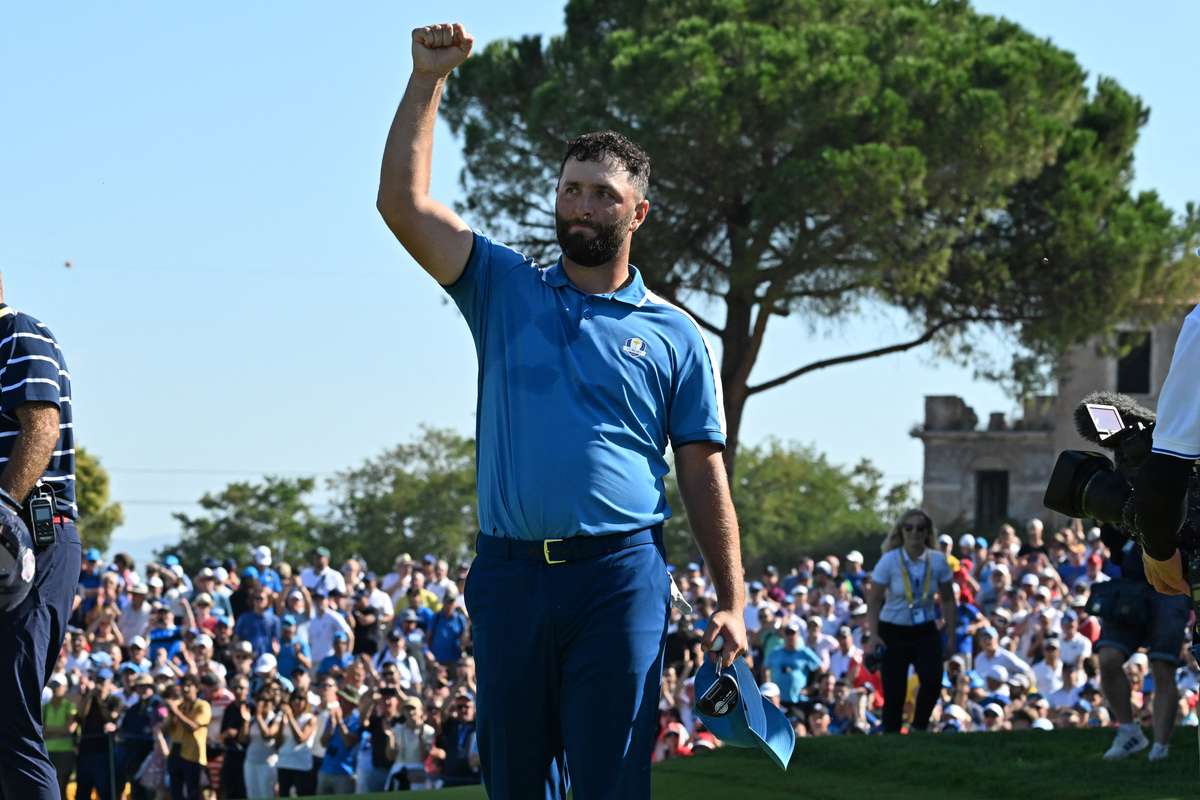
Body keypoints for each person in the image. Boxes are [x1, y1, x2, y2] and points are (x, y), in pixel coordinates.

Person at [375, 22, 748, 799]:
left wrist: (733, 602)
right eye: (571, 187)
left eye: (602, 194)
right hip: (509, 578)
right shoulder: (502, 286)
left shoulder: (673, 333)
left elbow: (703, 473)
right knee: (514, 784)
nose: (580, 204)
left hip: (618, 579)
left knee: (611, 783)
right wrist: (426, 80)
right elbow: (403, 205)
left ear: (636, 215)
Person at [0, 290, 83, 800]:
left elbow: (42, 427)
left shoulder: (16, 333)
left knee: (12, 714)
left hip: (34, 531)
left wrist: (3, 504)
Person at [1093, 525, 1188, 761]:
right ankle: (1128, 733)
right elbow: (1107, 525)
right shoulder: (1131, 487)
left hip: (1173, 583)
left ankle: (1160, 748)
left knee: (1162, 666)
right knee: (1108, 658)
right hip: (1132, 580)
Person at [865, 509, 957, 733]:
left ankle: (919, 727)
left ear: (927, 532)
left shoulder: (938, 561)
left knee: (934, 680)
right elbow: (874, 599)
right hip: (893, 630)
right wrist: (874, 635)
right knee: (894, 689)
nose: (915, 533)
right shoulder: (889, 560)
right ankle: (891, 737)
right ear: (901, 531)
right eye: (909, 528)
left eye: (920, 528)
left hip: (925, 628)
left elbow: (948, 600)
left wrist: (951, 635)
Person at [164, 673, 212, 800]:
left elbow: (193, 727)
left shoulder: (203, 706)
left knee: (193, 793)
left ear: (197, 688)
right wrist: (171, 713)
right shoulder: (179, 705)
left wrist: (176, 711)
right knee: (176, 793)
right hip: (175, 751)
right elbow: (166, 729)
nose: (185, 689)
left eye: (189, 686)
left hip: (193, 755)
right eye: (183, 686)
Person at [275, 689, 318, 798]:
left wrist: (290, 717)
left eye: (301, 698)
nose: (297, 701)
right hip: (284, 764)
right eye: (294, 698)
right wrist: (282, 722)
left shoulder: (310, 719)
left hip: (301, 766)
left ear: (306, 701)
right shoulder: (284, 718)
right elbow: (278, 742)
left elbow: (300, 739)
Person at [41, 675, 78, 800]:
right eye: (53, 685)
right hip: (48, 752)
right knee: (51, 785)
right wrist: (60, 730)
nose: (54, 688)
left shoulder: (69, 706)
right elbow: (43, 731)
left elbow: (70, 729)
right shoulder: (45, 707)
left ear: (65, 687)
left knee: (62, 787)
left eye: (58, 685)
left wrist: (51, 731)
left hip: (65, 751)